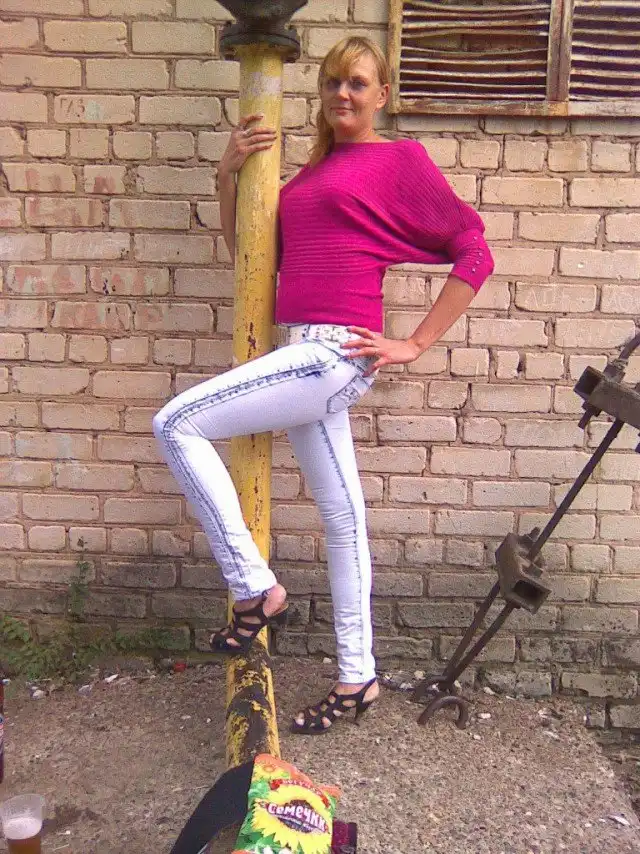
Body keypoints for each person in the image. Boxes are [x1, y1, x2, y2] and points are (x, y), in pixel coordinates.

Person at [153, 35, 494, 735]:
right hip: (302, 350)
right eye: (334, 82)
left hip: (332, 353)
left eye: (358, 83)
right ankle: (358, 677)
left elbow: (474, 252)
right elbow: (253, 260)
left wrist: (414, 343)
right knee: (344, 521)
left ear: (382, 95)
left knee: (176, 424)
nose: (344, 93)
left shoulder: (400, 160)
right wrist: (226, 178)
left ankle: (253, 588)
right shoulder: (311, 172)